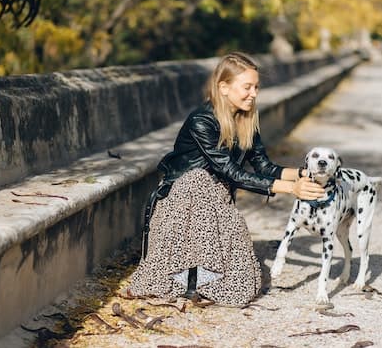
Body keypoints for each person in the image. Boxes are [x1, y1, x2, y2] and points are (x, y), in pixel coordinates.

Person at [127, 51, 325, 307]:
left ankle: (199, 280)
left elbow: (264, 166)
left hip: (217, 201)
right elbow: (230, 172)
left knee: (243, 288)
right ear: (223, 87)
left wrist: (305, 174)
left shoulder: (246, 119)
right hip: (181, 201)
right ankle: (188, 281)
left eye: (256, 87)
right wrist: (291, 189)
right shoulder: (202, 121)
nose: (253, 93)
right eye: (247, 87)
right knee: (198, 179)